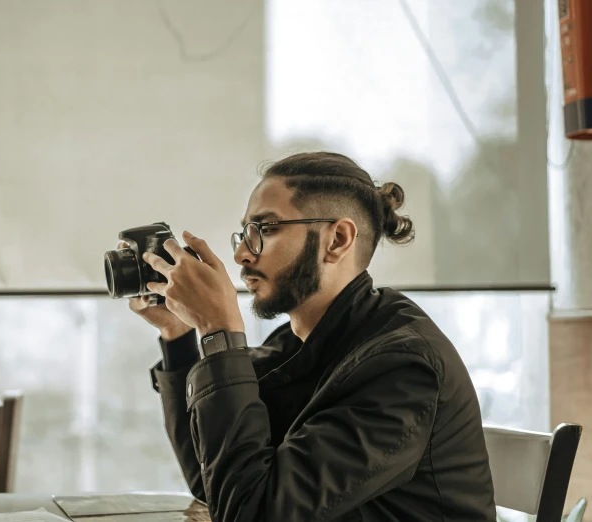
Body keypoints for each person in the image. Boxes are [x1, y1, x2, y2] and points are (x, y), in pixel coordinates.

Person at [129, 152, 496, 521]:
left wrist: (219, 333)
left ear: (336, 240)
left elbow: (253, 513)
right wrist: (177, 335)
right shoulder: (296, 343)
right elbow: (215, 483)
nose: (241, 254)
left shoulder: (402, 365)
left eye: (266, 229)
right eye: (245, 233)